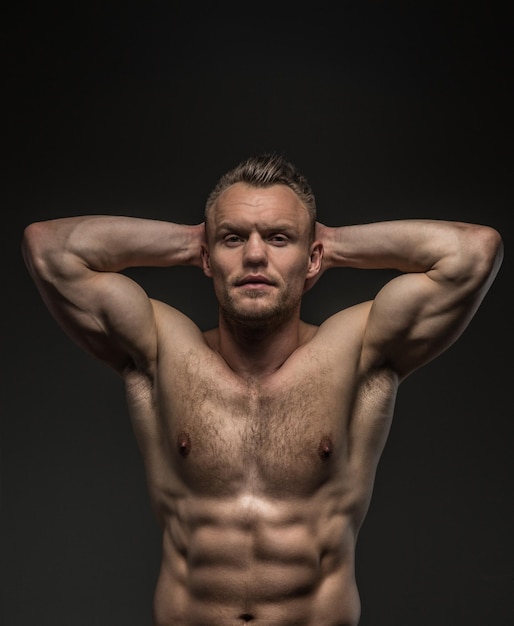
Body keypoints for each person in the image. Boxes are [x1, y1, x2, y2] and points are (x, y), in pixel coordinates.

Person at [22, 153, 503, 626]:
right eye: (234, 239)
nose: (254, 255)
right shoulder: (160, 349)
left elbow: (472, 252)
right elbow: (50, 248)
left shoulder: (359, 351)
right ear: (208, 258)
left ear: (312, 258)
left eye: (278, 238)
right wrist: (195, 241)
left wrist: (330, 242)